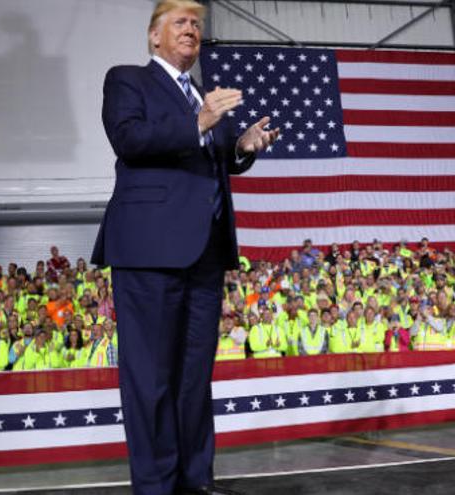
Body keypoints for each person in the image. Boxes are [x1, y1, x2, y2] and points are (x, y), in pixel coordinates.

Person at [90, 1, 278, 492]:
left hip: (206, 253)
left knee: (194, 378)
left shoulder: (200, 94)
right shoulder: (128, 79)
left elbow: (213, 161)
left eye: (196, 23)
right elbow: (129, 140)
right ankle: (156, 487)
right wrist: (200, 120)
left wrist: (242, 147)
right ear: (154, 37)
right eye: (180, 22)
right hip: (149, 251)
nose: (192, 29)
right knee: (150, 380)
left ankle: (196, 481)